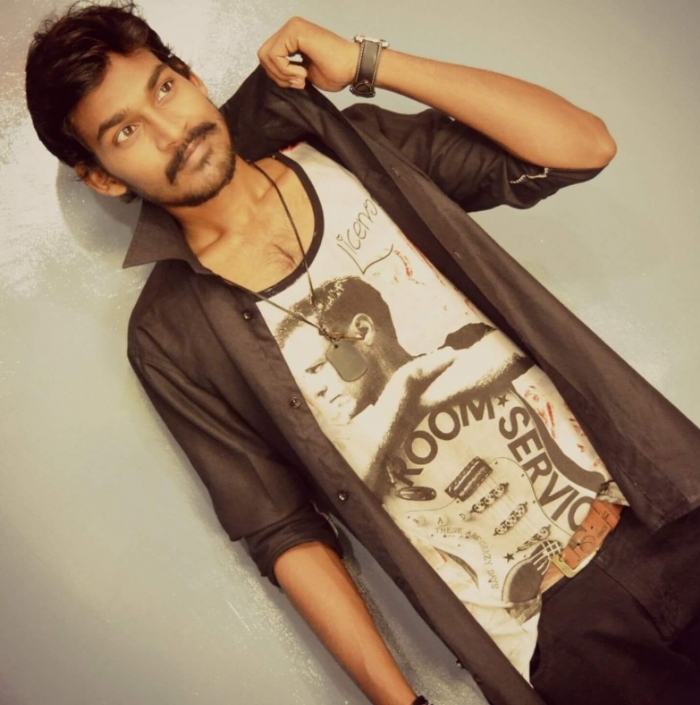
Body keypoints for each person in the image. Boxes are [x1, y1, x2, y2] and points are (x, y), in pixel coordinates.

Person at [24, 2, 700, 704]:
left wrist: (369, 64)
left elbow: (583, 145)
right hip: (553, 633)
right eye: (126, 130)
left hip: (662, 513)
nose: (173, 130)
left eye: (164, 88)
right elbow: (283, 531)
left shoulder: (351, 150)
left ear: (191, 78)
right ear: (101, 176)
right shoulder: (169, 336)